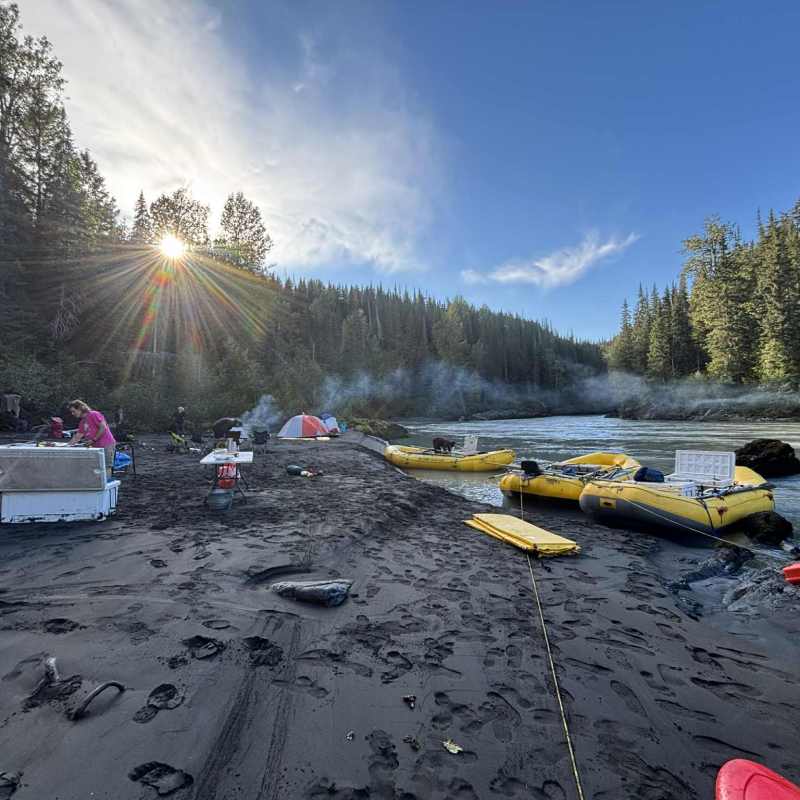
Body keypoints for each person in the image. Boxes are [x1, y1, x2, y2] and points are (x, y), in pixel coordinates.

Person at [67, 400, 116, 474]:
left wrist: (93, 440)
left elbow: (103, 427)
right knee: (95, 467)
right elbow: (77, 436)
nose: (72, 414)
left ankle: (106, 481)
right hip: (96, 448)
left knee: (106, 467)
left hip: (106, 444)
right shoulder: (82, 422)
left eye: (74, 411)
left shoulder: (94, 414)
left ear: (80, 408)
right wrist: (66, 447)